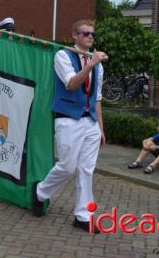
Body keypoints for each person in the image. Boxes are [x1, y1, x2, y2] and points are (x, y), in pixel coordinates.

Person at [31, 20, 108, 234]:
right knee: (67, 167)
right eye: (85, 33)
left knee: (86, 170)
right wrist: (91, 64)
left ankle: (83, 216)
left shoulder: (97, 64)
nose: (90, 37)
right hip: (68, 119)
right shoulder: (63, 56)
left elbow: (97, 97)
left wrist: (100, 128)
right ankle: (39, 192)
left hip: (90, 120)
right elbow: (71, 83)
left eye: (92, 34)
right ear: (74, 35)